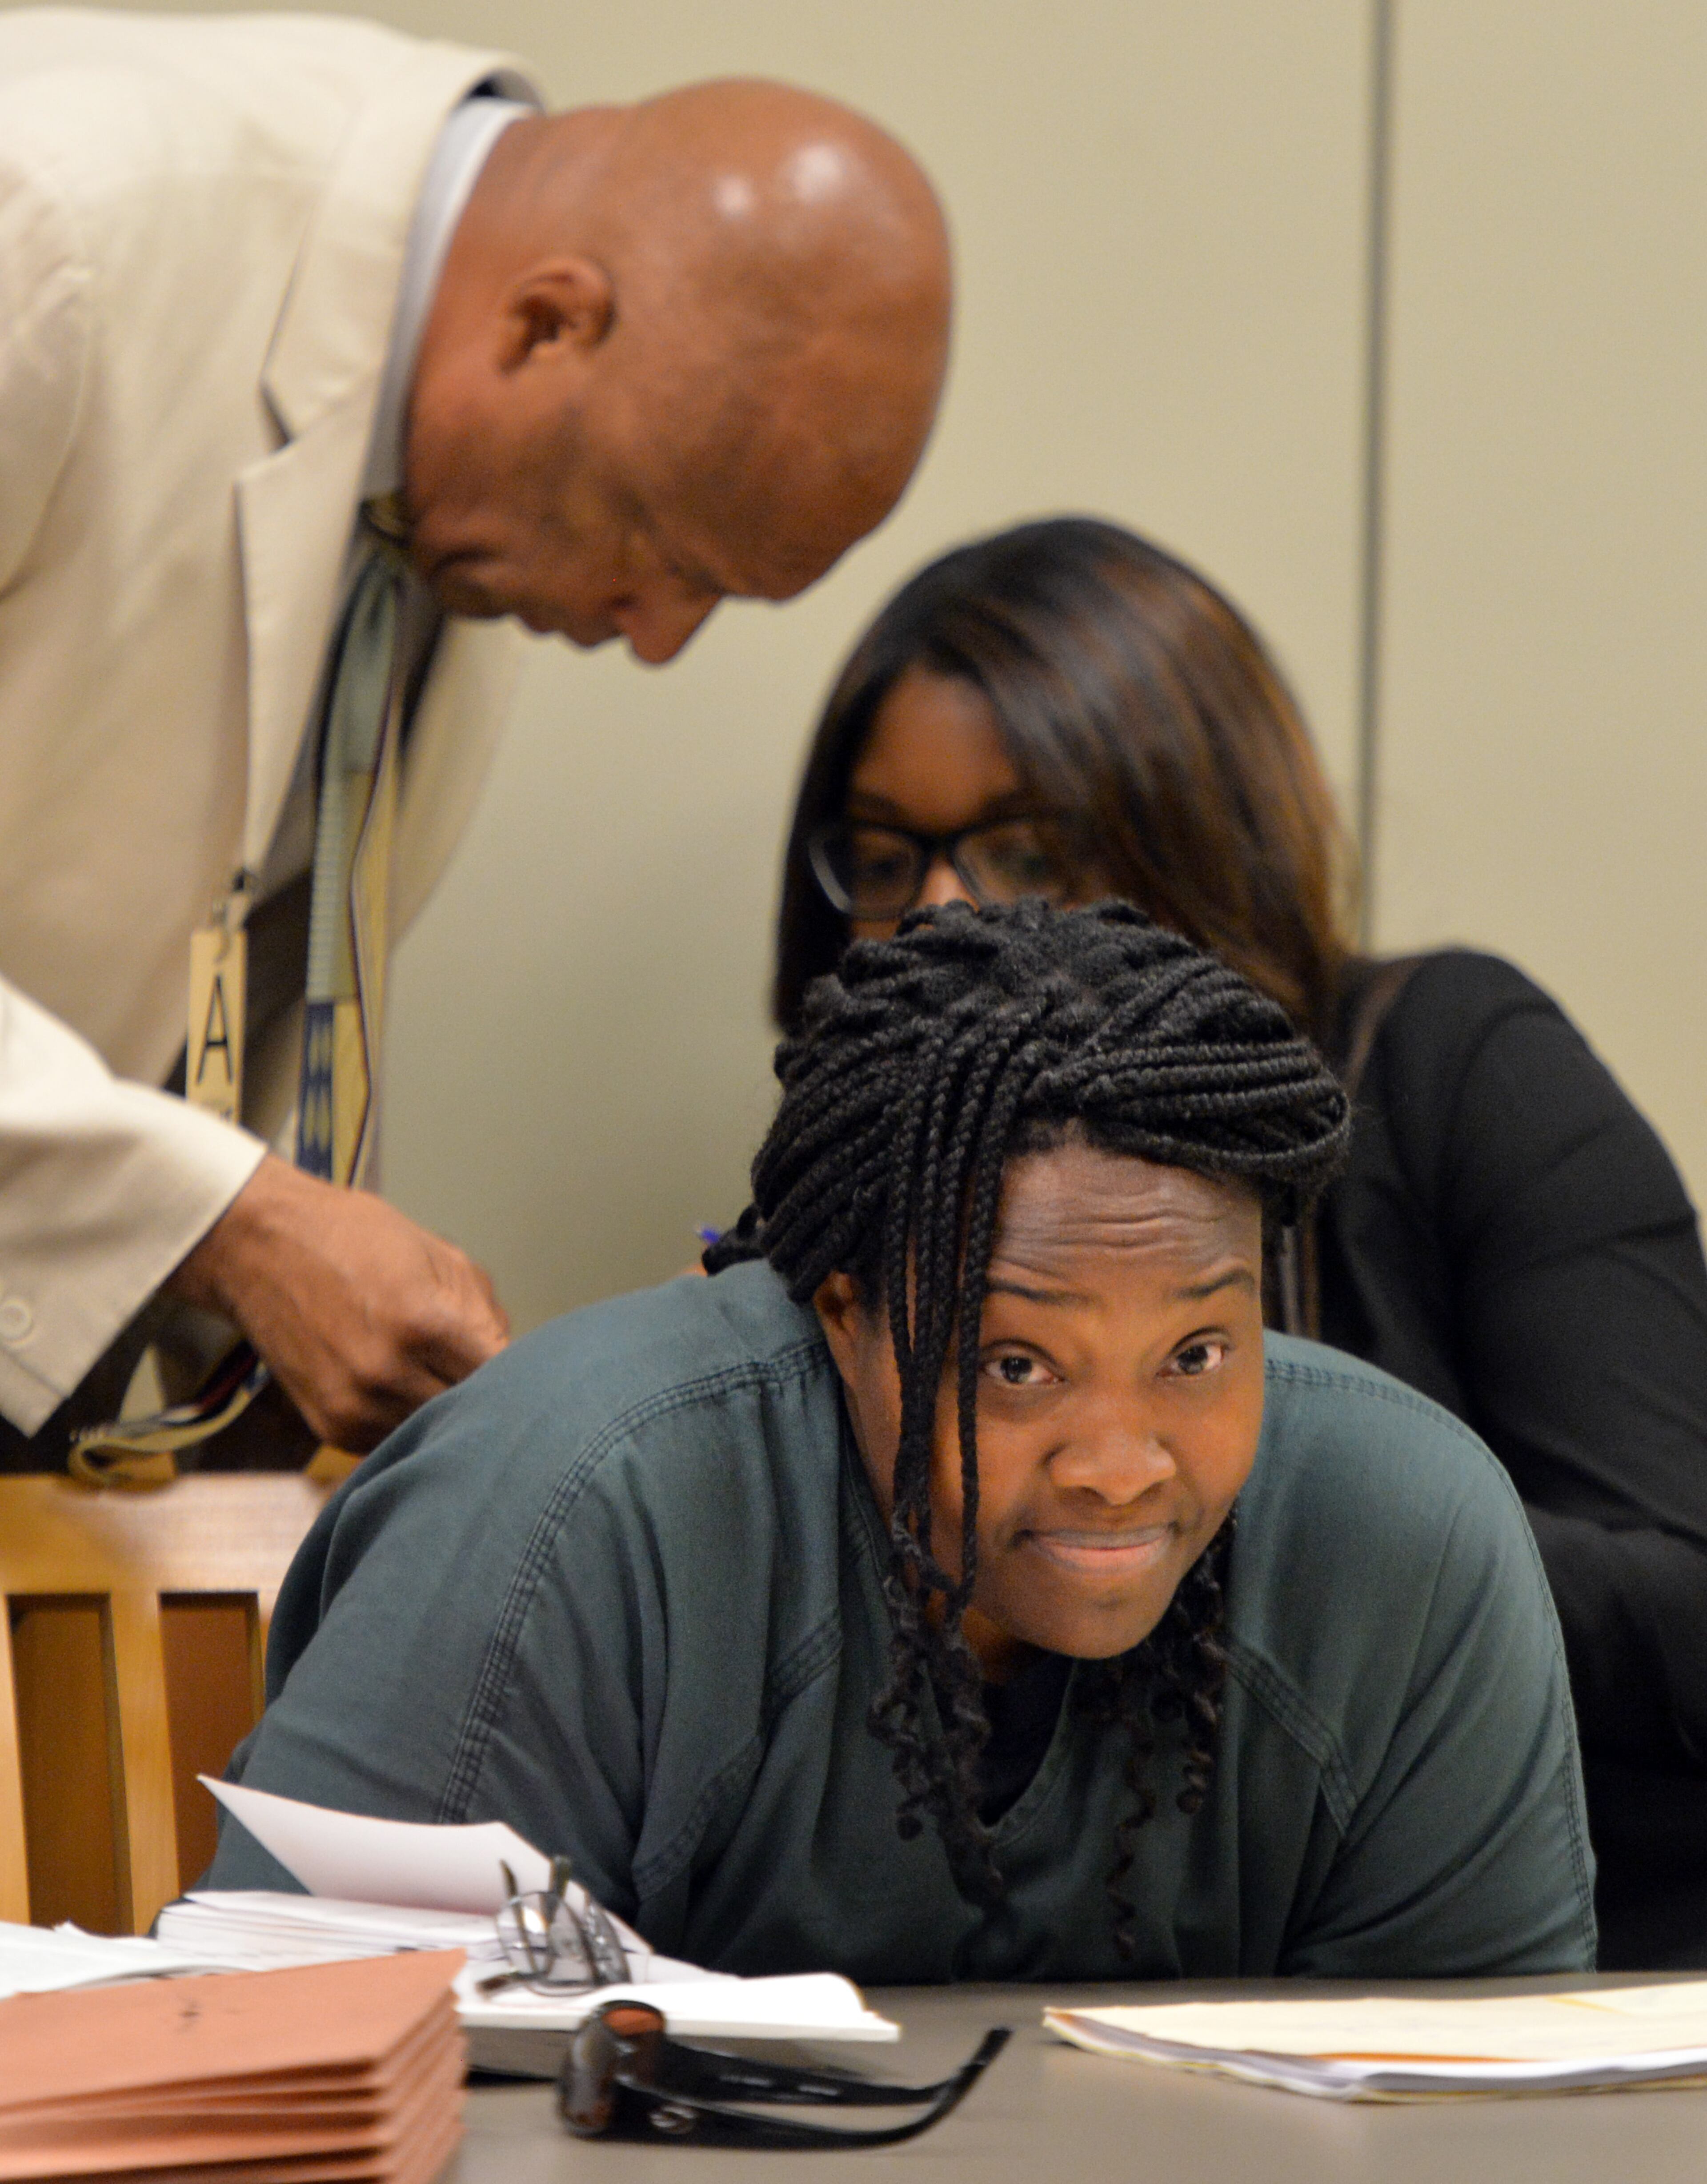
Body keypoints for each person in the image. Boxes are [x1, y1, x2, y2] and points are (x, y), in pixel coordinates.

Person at [208, 903, 1595, 1981]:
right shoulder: (579, 1503)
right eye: (1016, 1364)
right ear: (844, 1315)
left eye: (1195, 1356)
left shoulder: (1410, 1541)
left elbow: (1482, 2118)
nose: (1121, 1460)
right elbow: (290, 2067)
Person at [0, 11, 951, 1469]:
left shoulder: (448, 421)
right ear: (546, 324)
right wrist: (228, 1219)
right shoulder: (46, 219)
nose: (654, 638)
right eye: (661, 549)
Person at [771, 515, 1707, 1969]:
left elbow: (1684, 1604)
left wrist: (1212, 1506)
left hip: (1561, 1988)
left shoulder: (1455, 1062)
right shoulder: (882, 1187)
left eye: (1024, 846)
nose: (940, 914)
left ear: (1195, 833)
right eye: (890, 857)